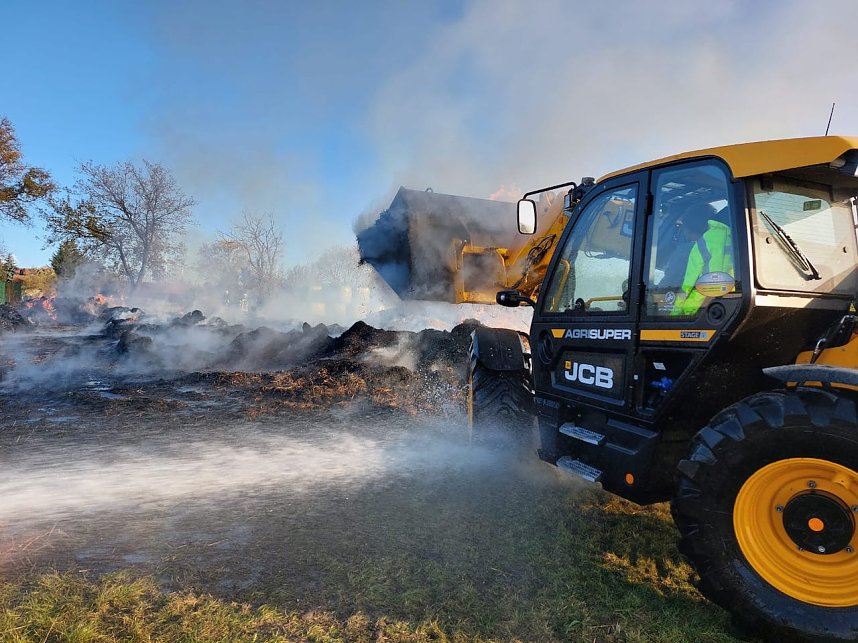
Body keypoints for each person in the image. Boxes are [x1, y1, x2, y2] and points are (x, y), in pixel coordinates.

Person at [669, 202, 733, 316]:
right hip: (730, 304)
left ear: (688, 227)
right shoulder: (734, 235)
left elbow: (687, 285)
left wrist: (674, 314)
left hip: (699, 309)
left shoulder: (701, 245)